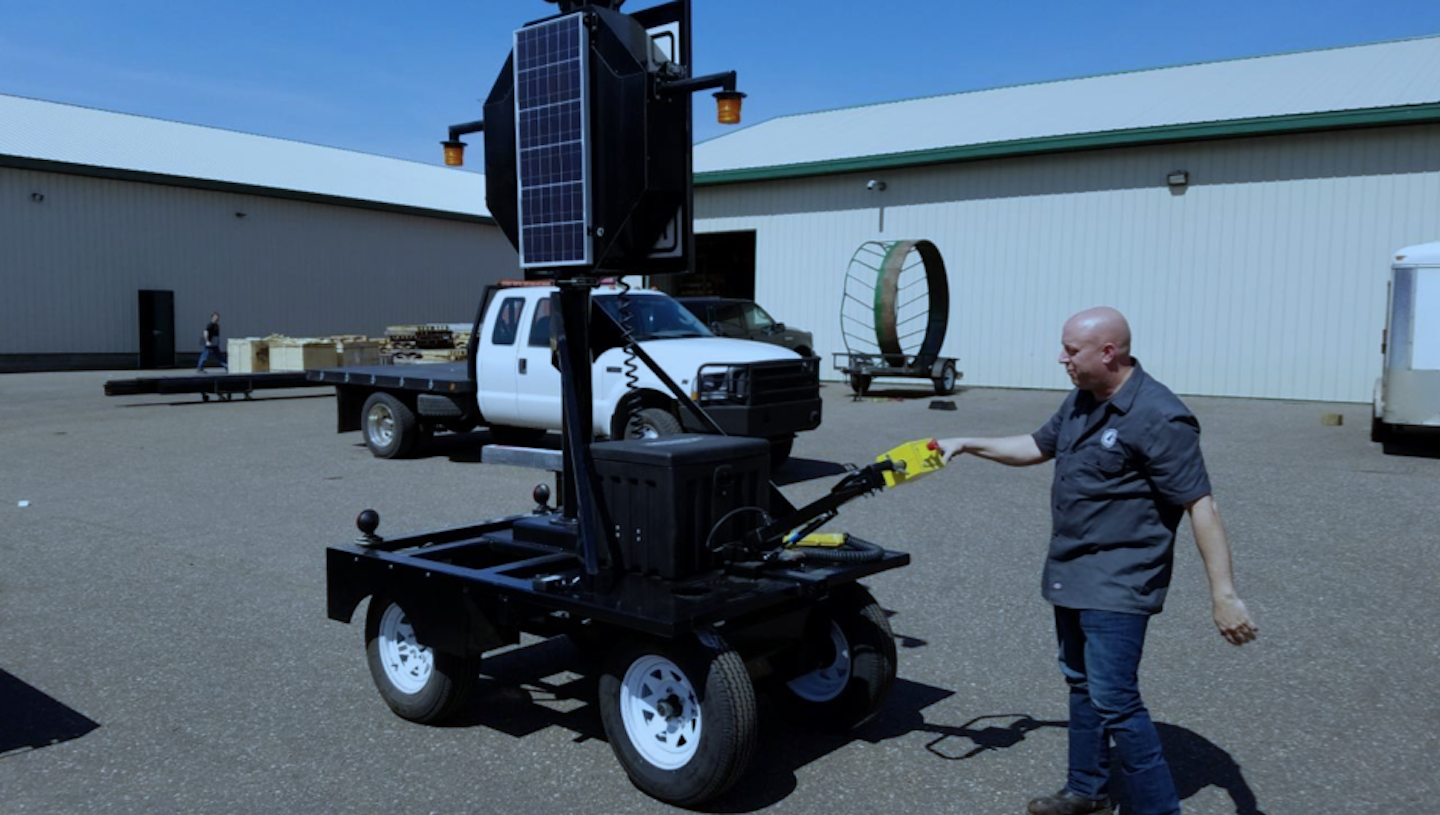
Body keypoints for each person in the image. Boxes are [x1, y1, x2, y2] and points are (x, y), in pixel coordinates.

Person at [937, 307, 1257, 815]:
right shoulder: (1083, 400)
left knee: (1116, 699)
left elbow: (1201, 504)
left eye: (1071, 350)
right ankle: (1086, 791)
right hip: (1072, 572)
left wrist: (1224, 595)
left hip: (1121, 579)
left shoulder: (1158, 415)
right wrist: (965, 443)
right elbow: (1036, 446)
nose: (1060, 358)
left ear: (1108, 352)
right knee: (1082, 684)